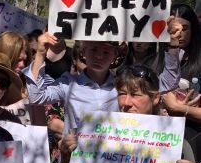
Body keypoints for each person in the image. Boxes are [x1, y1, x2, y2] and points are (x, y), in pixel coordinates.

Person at [61, 64, 193, 163]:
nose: (126, 102)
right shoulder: (97, 136)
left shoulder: (176, 143)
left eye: (135, 94)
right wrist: (67, 157)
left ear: (155, 98)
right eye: (122, 94)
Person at [25, 29, 181, 137]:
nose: (99, 57)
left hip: (112, 161)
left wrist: (173, 46)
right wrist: (40, 53)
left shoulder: (122, 85)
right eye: (93, 50)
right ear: (83, 52)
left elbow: (167, 85)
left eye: (106, 52)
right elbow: (36, 97)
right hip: (75, 161)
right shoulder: (68, 84)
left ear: (115, 56)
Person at [171, 3, 201, 81]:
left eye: (184, 29)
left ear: (193, 29)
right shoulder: (155, 62)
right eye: (174, 29)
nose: (179, 34)